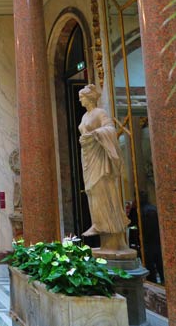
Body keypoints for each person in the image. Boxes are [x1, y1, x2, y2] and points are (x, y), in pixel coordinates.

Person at [77, 84, 129, 237]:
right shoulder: (84, 116)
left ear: (89, 98)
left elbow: (110, 130)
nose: (80, 101)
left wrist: (95, 134)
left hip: (99, 154)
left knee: (101, 187)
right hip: (87, 155)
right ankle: (97, 223)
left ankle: (108, 223)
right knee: (91, 191)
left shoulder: (100, 113)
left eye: (82, 98)